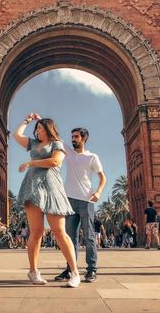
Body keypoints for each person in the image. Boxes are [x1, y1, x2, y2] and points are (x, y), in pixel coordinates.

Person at [15, 113, 80, 288]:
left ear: (48, 129)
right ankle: (33, 271)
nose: (37, 131)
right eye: (36, 129)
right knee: (35, 232)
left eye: (40, 128)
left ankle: (75, 273)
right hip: (33, 187)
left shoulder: (57, 144)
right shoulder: (34, 144)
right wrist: (27, 121)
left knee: (59, 231)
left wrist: (31, 163)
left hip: (52, 187)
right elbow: (17, 135)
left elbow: (55, 161)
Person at [54, 127, 106, 283]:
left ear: (84, 138)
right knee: (70, 238)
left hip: (86, 201)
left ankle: (91, 270)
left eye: (76, 136)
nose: (73, 139)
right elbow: (54, 135)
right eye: (72, 136)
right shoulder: (68, 152)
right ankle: (70, 269)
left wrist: (98, 192)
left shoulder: (92, 157)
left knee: (89, 237)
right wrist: (38, 119)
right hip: (69, 200)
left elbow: (102, 177)